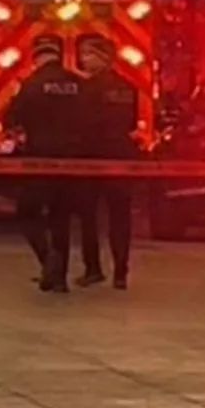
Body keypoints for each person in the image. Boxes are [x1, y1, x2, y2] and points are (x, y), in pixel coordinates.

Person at [5, 34, 83, 293]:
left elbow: (13, 117)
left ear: (37, 55)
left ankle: (48, 257)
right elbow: (90, 118)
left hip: (40, 158)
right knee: (61, 218)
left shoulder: (32, 84)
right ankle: (60, 279)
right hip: (72, 161)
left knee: (27, 212)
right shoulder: (78, 84)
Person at [75, 34, 138, 290]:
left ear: (103, 57)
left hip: (93, 156)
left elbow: (83, 124)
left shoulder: (88, 88)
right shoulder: (128, 87)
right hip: (121, 156)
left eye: (88, 54)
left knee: (88, 215)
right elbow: (131, 123)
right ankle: (121, 272)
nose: (84, 59)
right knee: (120, 215)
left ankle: (93, 269)